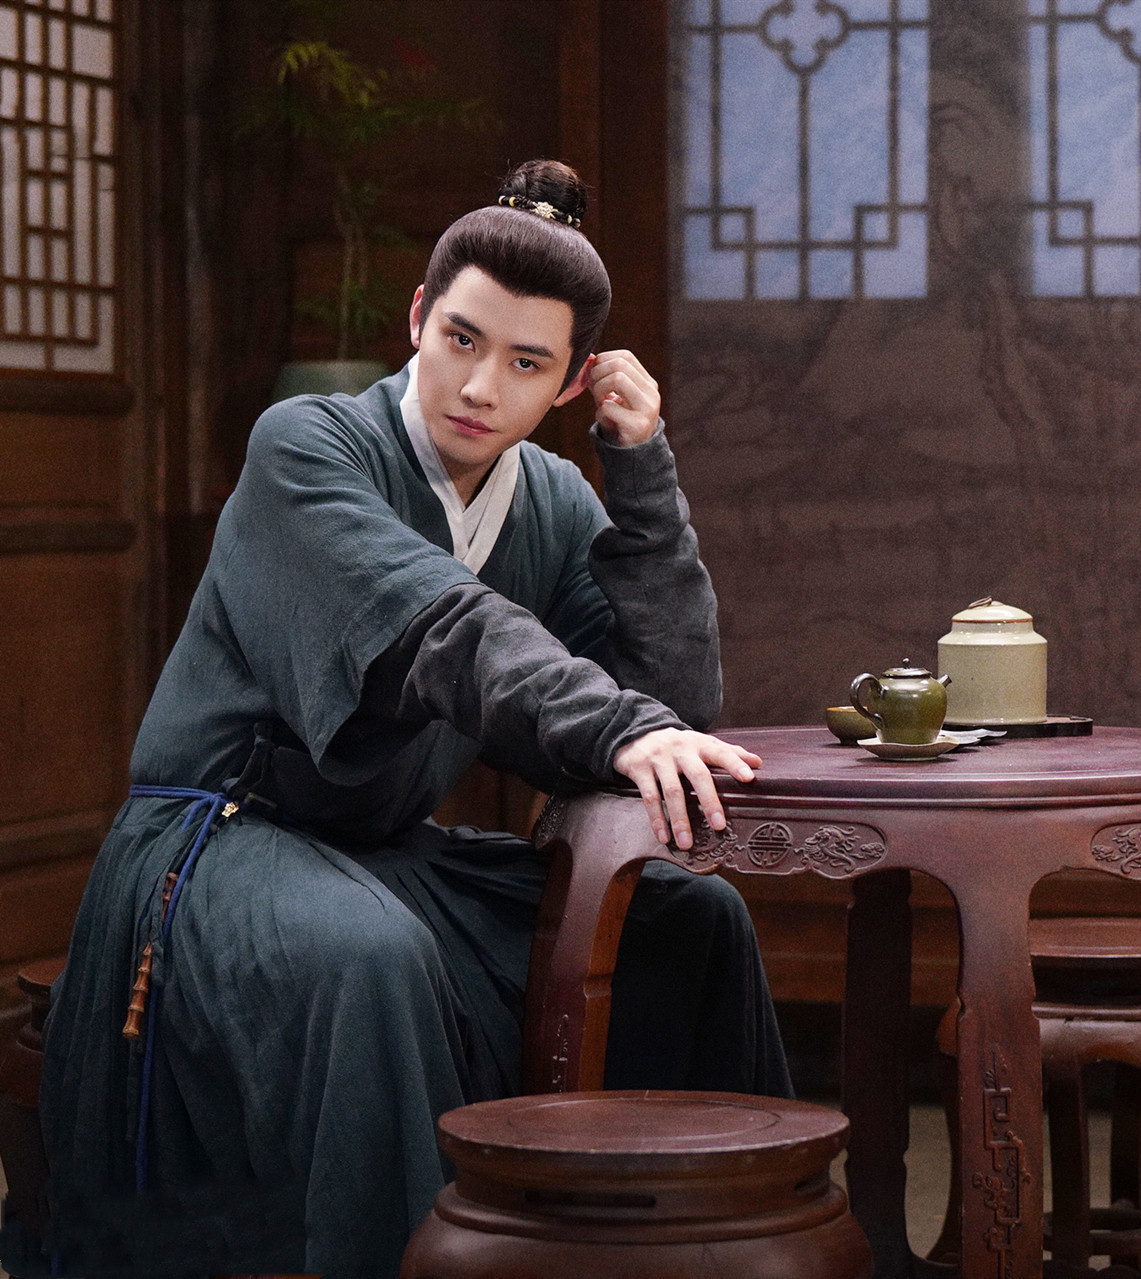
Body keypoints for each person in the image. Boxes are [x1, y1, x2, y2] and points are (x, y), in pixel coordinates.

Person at [17, 161, 792, 1279]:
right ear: (419, 317)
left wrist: (641, 471)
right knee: (371, 958)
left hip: (380, 852)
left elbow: (663, 704)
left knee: (689, 921)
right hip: (216, 840)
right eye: (463, 338)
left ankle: (701, 1251)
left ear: (569, 385)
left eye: (525, 362)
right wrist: (620, 724)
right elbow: (440, 625)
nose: (479, 385)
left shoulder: (551, 499)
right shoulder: (307, 446)